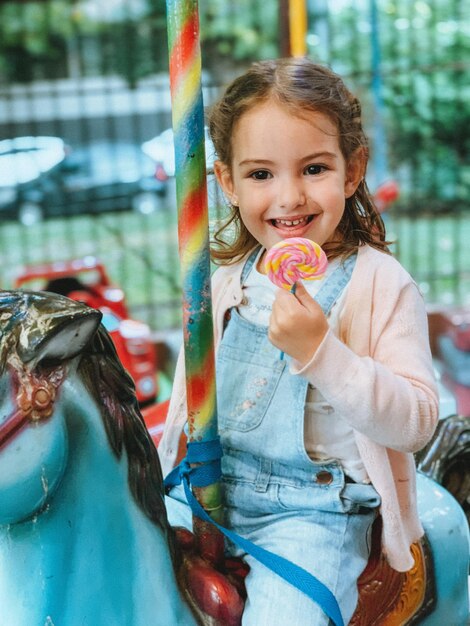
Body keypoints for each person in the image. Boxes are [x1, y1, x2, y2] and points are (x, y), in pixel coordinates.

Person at [158, 58, 439, 626]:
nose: (288, 197)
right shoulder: (223, 287)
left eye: (313, 168)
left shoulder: (379, 284)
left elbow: (417, 421)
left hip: (312, 516)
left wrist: (322, 352)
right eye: (261, 174)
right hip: (207, 497)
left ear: (352, 170)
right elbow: (188, 410)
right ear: (228, 183)